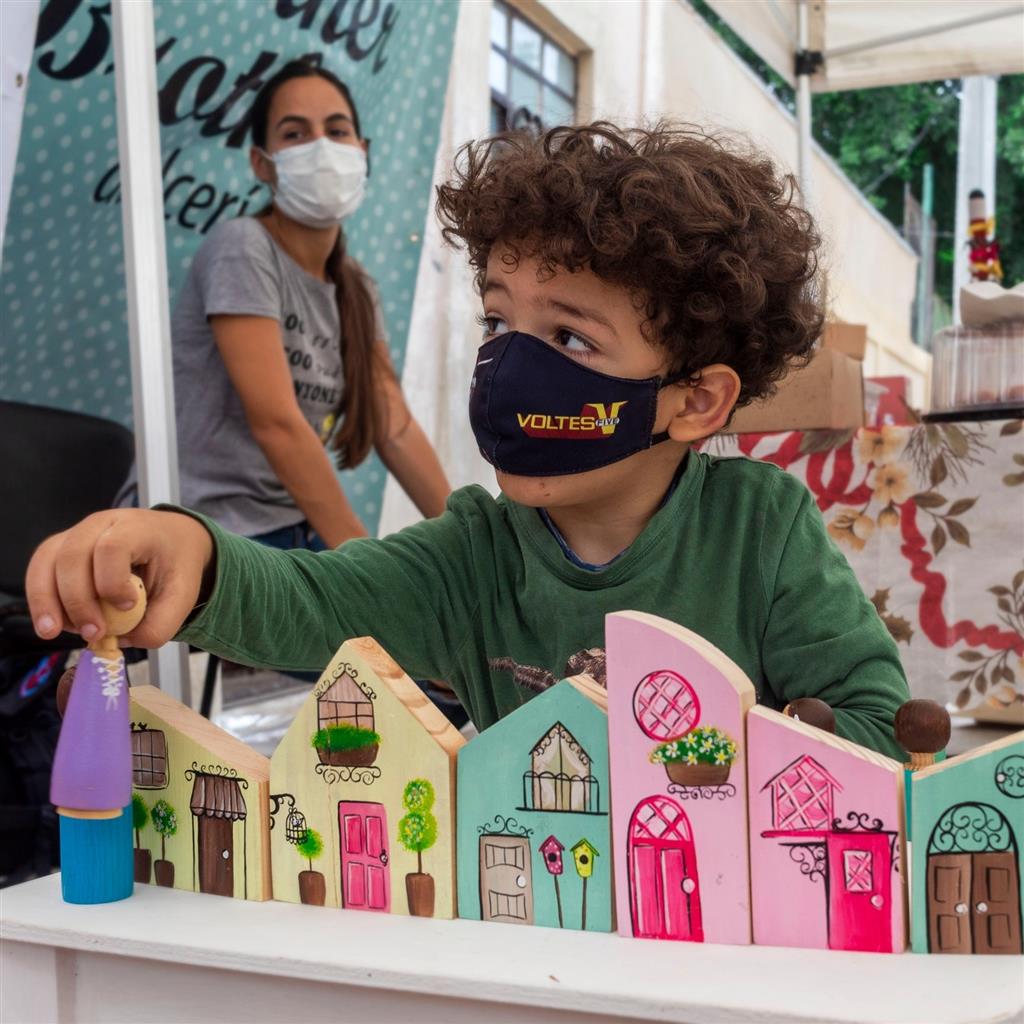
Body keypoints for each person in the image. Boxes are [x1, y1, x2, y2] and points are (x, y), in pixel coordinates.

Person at [27, 123, 910, 757]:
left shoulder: (761, 532)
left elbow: (876, 721)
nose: (511, 367)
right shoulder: (475, 556)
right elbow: (309, 599)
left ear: (697, 401)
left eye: (570, 338)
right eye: (497, 321)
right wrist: (188, 550)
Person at [118, 59, 449, 550]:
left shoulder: (356, 286)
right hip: (200, 527)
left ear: (362, 151)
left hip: (292, 530)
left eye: (337, 130)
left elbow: (394, 425)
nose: (322, 147)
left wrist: (476, 540)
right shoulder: (243, 247)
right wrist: (365, 567)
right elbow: (276, 425)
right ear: (261, 163)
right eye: (295, 134)